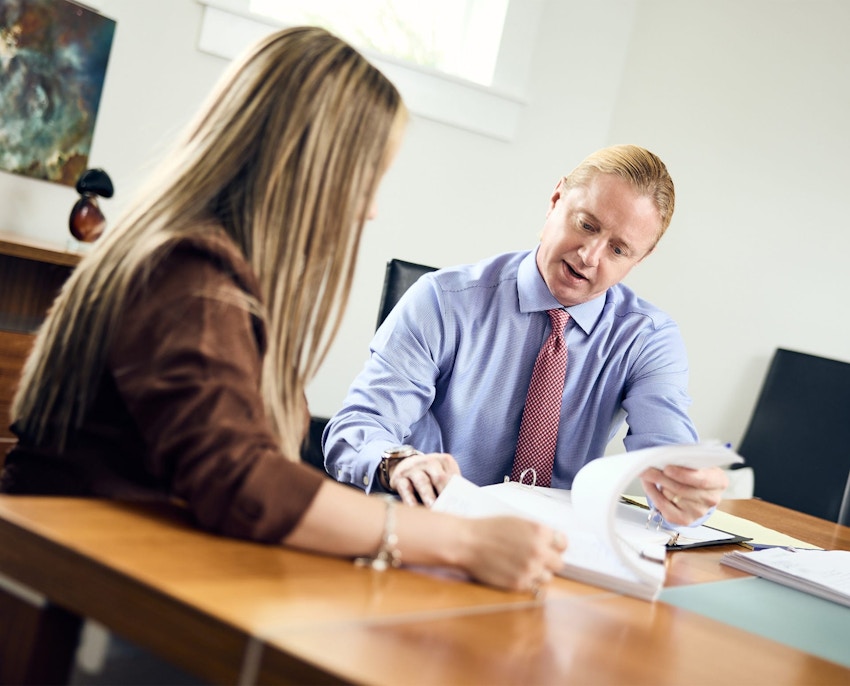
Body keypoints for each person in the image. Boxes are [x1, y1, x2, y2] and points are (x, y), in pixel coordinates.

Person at [0, 27, 566, 595]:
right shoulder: (190, 274)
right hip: (64, 589)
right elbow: (240, 480)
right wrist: (462, 542)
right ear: (307, 167)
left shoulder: (209, 268)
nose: (370, 210)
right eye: (367, 181)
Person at [324, 144, 729, 526]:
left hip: (557, 551)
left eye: (618, 250)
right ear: (556, 200)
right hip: (437, 529)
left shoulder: (647, 340)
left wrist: (688, 492)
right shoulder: (443, 301)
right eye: (586, 224)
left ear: (641, 258)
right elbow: (357, 427)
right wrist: (397, 462)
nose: (590, 256)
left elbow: (669, 458)